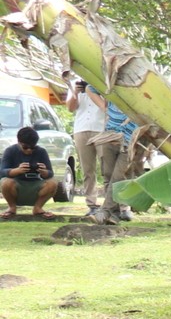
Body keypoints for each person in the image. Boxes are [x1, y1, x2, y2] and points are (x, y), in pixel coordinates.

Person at [66, 79, 126, 224]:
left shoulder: (104, 81)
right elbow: (70, 108)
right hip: (81, 128)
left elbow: (109, 106)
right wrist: (75, 91)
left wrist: (95, 88)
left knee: (109, 170)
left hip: (103, 129)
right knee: (88, 169)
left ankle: (119, 206)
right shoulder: (74, 83)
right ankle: (92, 204)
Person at [1, 127, 56, 220]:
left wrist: (44, 172)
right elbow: (2, 171)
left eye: (32, 147)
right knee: (5, 182)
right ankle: (12, 207)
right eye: (25, 147)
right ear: (19, 142)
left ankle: (38, 207)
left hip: (36, 186)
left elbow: (50, 173)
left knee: (53, 183)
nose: (29, 150)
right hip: (16, 186)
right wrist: (17, 171)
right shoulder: (10, 151)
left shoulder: (41, 151)